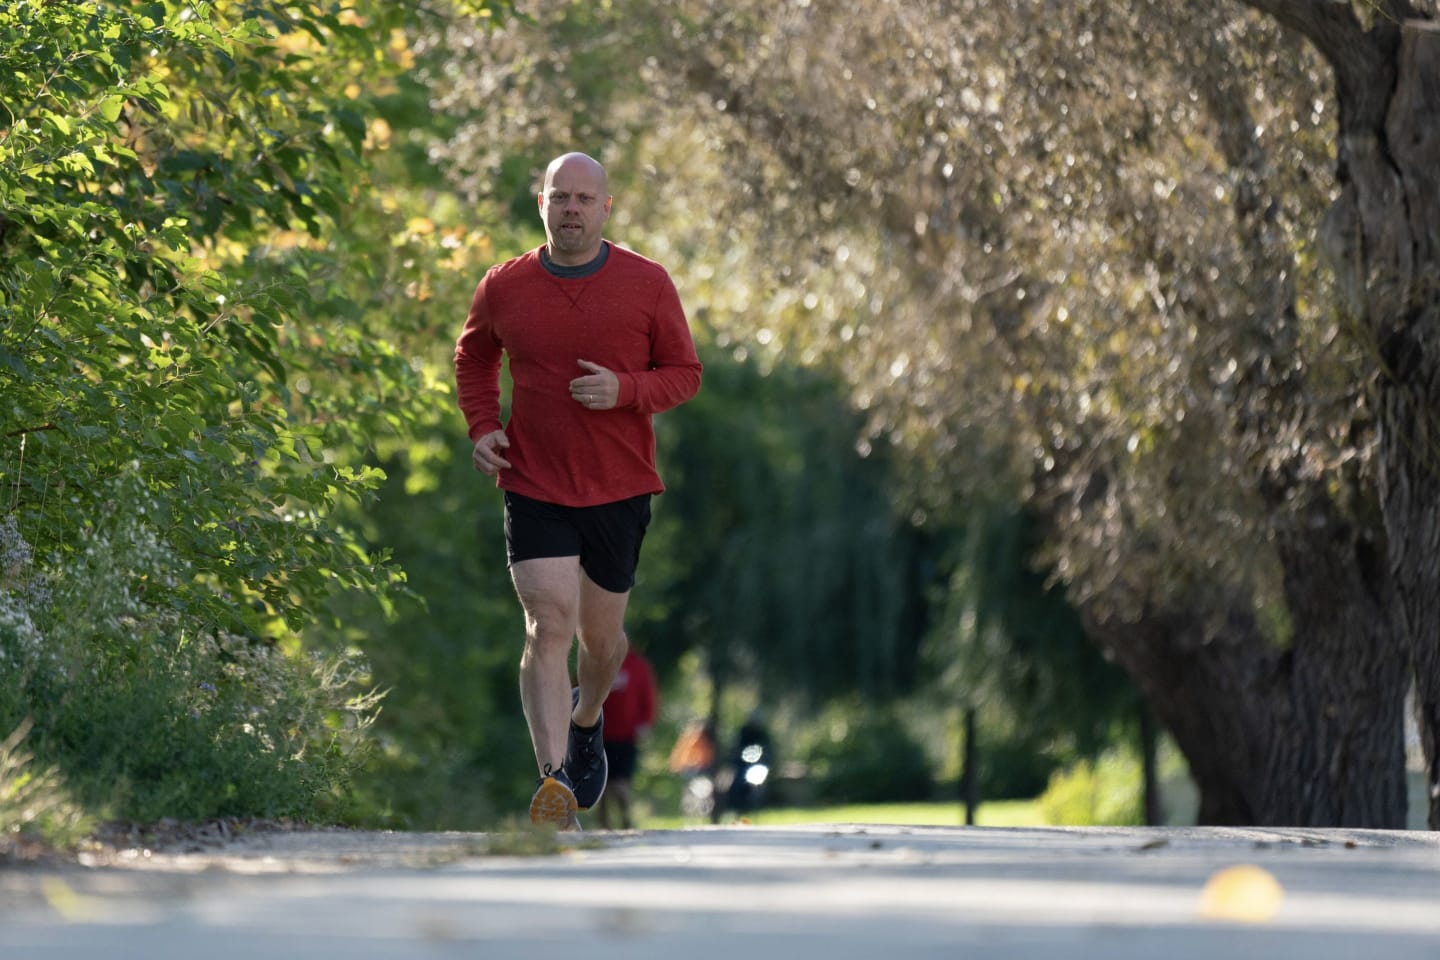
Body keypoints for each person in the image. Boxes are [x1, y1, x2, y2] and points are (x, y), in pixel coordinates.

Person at [453, 152, 702, 829]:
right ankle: (554, 782)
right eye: (560, 196)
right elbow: (474, 357)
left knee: (603, 644)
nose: (572, 208)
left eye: (584, 198)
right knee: (546, 623)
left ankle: (586, 714)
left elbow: (684, 373)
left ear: (605, 208)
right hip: (533, 477)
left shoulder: (646, 284)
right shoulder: (504, 285)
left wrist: (627, 390)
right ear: (541, 204)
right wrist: (482, 426)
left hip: (620, 484)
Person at [594, 645, 658, 830]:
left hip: (626, 736)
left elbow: (648, 697)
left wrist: (645, 723)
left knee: (621, 782)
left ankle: (626, 819)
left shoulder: (637, 665)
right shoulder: (596, 662)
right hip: (599, 734)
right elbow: (579, 689)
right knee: (601, 783)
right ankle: (603, 824)